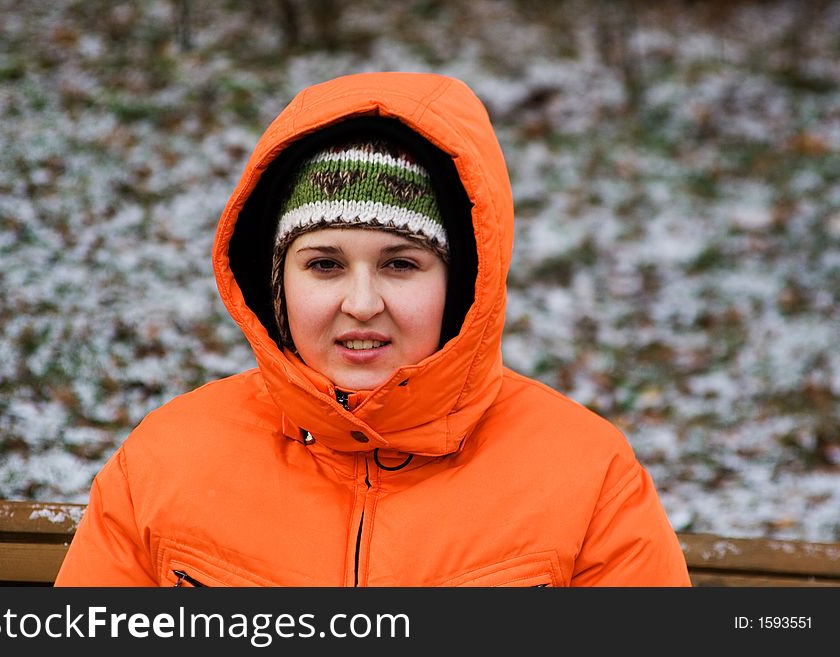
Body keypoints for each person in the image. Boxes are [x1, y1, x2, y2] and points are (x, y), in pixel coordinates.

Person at [55, 71, 691, 587]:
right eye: (325, 264)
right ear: (275, 281)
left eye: (401, 263)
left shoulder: (585, 473)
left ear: (462, 281)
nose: (361, 303)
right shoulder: (165, 463)